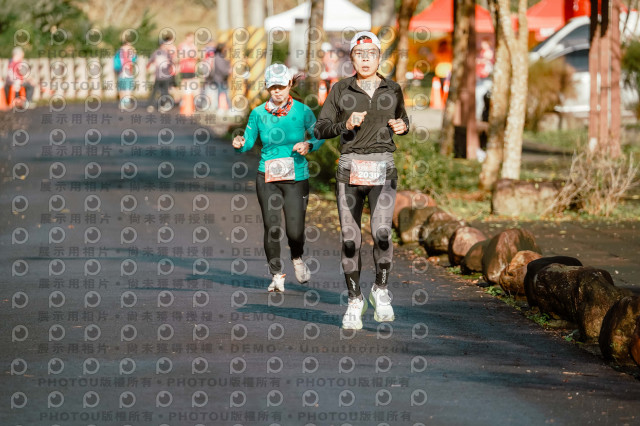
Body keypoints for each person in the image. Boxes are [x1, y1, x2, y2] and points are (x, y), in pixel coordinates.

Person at [314, 31, 409, 330]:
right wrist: (344, 124)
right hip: (349, 169)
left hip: (383, 169)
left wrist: (403, 126)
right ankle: (355, 299)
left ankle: (380, 289)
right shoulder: (340, 89)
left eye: (371, 54)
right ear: (352, 58)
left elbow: (404, 119)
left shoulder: (393, 88)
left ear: (379, 58)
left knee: (382, 233)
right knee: (349, 239)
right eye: (359, 54)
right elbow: (320, 128)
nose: (366, 60)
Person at [232, 64, 325, 292]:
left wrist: (309, 144)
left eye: (281, 86)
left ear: (289, 84)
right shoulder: (258, 113)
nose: (277, 91)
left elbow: (319, 135)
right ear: (267, 87)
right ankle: (276, 274)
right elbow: (248, 141)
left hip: (296, 177)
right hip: (267, 176)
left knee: (295, 230)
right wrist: (240, 144)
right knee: (271, 227)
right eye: (273, 87)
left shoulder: (303, 111)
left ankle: (297, 257)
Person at [147, 37, 177, 112]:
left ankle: (158, 105)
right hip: (161, 76)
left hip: (162, 76)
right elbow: (172, 63)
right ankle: (154, 105)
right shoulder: (164, 53)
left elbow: (149, 62)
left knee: (162, 92)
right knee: (160, 91)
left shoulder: (158, 53)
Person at [114, 36, 137, 110]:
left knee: (124, 87)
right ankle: (125, 102)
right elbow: (134, 59)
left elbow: (116, 63)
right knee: (127, 87)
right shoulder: (128, 51)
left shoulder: (119, 52)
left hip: (124, 71)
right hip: (126, 71)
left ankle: (123, 103)